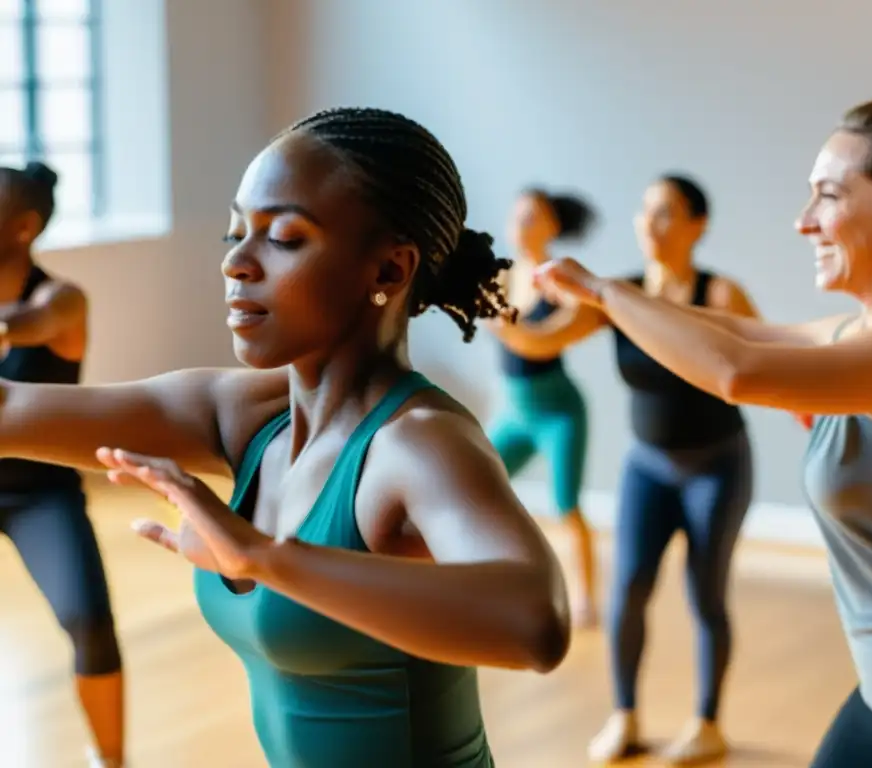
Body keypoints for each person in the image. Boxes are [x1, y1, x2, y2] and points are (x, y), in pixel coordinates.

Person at [0, 108, 571, 768]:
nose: (236, 264)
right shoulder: (242, 416)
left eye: (285, 238)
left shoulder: (417, 441)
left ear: (388, 270)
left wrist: (265, 556)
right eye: (236, 232)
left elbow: (536, 620)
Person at [534, 98, 872, 768]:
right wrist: (604, 296)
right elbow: (739, 332)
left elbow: (737, 370)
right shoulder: (859, 337)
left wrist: (604, 292)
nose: (804, 222)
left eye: (827, 196)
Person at [496, 175, 761, 764]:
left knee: (706, 595)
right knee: (627, 592)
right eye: (645, 212)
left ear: (697, 226)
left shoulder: (720, 294)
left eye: (666, 213)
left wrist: (811, 407)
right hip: (648, 467)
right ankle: (625, 718)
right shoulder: (619, 296)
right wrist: (492, 315)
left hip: (717, 466)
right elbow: (544, 342)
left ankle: (708, 722)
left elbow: (767, 357)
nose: (650, 223)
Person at [0, 162, 125, 768]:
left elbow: (33, 324)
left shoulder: (62, 299)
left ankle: (111, 760)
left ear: (23, 226)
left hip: (38, 494)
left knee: (90, 621)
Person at [484, 188, 599, 627]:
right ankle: (494, 583)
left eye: (532, 217)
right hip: (514, 412)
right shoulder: (503, 275)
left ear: (552, 227)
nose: (521, 225)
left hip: (558, 412)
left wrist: (507, 330)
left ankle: (586, 597)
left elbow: (552, 336)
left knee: (565, 506)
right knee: (481, 487)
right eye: (518, 217)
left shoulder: (559, 280)